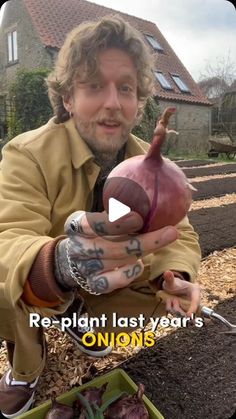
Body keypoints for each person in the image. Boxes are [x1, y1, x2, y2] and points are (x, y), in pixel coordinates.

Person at [0, 15, 201, 417]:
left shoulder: (150, 162)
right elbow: (8, 236)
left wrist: (177, 276)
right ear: (68, 98)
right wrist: (56, 265)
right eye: (94, 85)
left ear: (138, 100)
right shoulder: (26, 154)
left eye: (125, 87)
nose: (112, 102)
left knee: (159, 288)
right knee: (6, 278)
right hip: (45, 281)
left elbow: (182, 234)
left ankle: (87, 319)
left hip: (113, 275)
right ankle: (25, 366)